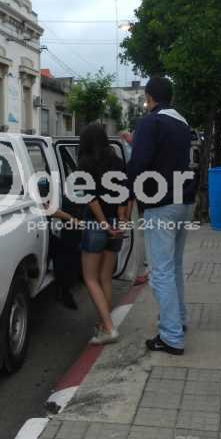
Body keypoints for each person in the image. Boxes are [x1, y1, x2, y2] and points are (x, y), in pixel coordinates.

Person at [127, 77, 196, 356]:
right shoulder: (182, 123)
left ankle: (171, 336)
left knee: (161, 272)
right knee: (174, 266)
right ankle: (178, 320)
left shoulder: (150, 122)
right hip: (184, 201)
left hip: (161, 204)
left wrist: (126, 190)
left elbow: (139, 162)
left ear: (149, 98)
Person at [77, 123, 129, 345]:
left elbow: (91, 198)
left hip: (97, 224)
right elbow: (125, 194)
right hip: (116, 222)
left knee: (90, 278)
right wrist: (121, 220)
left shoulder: (85, 163)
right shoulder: (117, 161)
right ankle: (103, 324)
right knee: (106, 278)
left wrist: (104, 224)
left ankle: (108, 328)